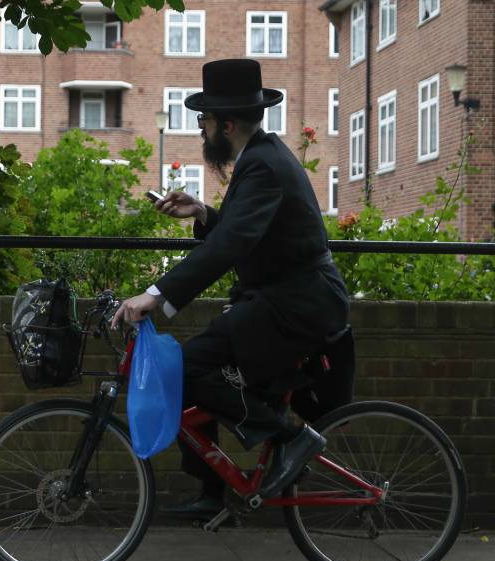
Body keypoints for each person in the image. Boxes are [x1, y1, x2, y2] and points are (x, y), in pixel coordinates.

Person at [110, 59, 352, 518]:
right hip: (283, 301)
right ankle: (211, 490)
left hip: (298, 306)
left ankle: (290, 438)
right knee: (190, 371)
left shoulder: (262, 165)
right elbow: (244, 234)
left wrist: (156, 295)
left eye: (204, 122)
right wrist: (203, 212)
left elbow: (228, 249)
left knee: (184, 368)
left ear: (227, 122)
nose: (202, 131)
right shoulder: (261, 158)